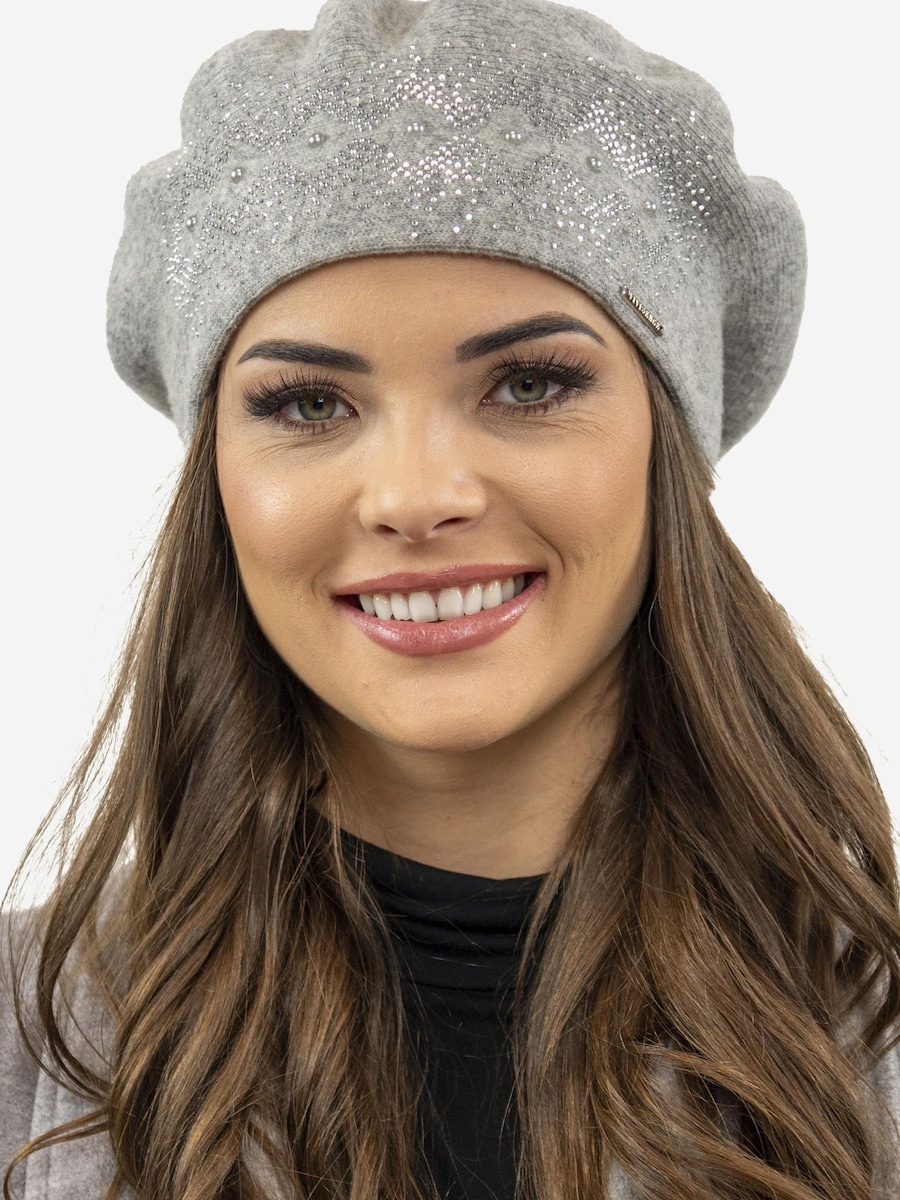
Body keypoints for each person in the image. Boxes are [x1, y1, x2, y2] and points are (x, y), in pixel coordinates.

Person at [2, 0, 898, 1197]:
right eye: (308, 404)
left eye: (529, 385)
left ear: (666, 444)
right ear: (218, 475)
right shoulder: (19, 1039)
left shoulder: (875, 1030)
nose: (415, 497)